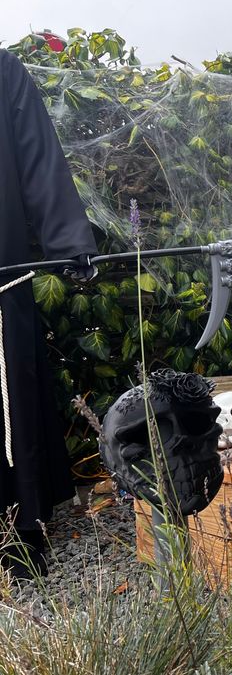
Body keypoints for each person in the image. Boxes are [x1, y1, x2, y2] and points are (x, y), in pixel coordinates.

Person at [0, 49, 98, 576]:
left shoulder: (2, 71)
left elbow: (38, 158)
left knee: (9, 403)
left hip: (0, 276)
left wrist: (67, 239)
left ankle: (19, 528)